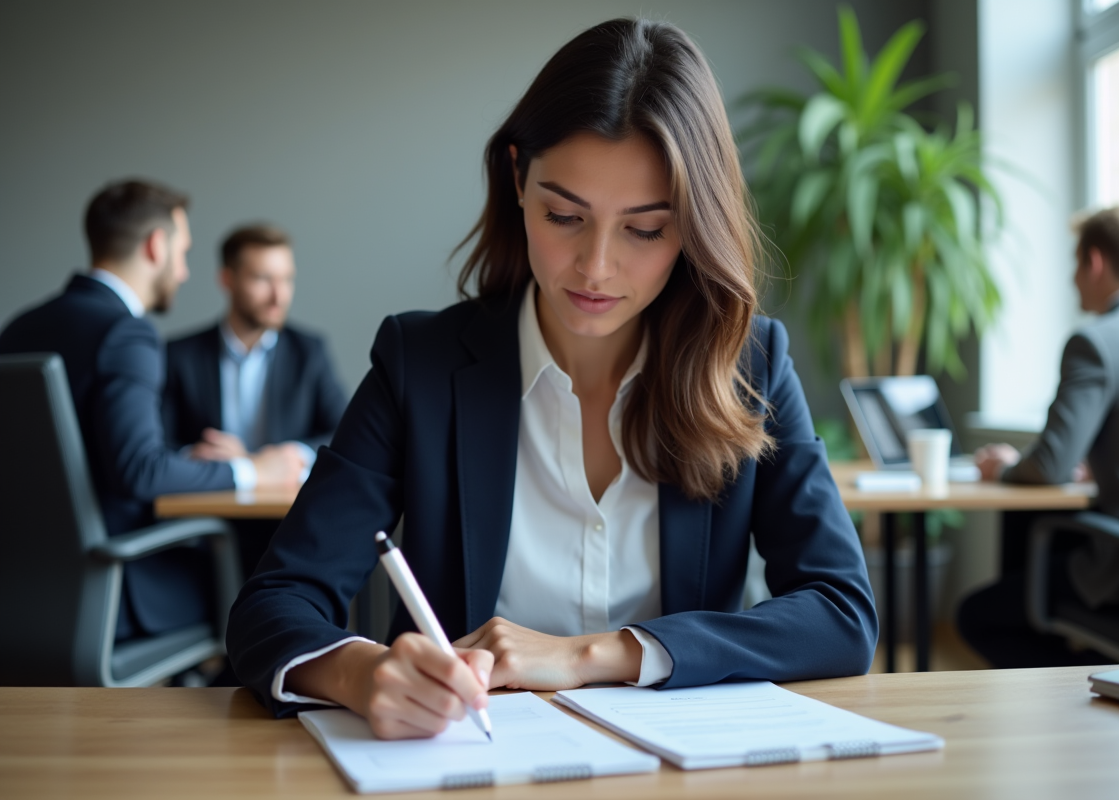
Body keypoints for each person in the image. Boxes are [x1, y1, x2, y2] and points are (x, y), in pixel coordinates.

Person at [227, 18, 877, 738]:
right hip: (472, 769)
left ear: (693, 225)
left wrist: (593, 657)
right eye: (564, 215)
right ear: (516, 179)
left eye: (645, 229)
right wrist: (362, 673)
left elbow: (841, 611)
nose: (596, 267)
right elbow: (273, 604)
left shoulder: (749, 364)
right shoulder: (421, 362)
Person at [0, 180, 305, 642]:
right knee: (255, 589)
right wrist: (251, 471)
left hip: (22, 592)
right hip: (115, 591)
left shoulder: (19, 328)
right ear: (155, 245)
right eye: (182, 251)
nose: (183, 271)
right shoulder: (126, 333)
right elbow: (139, 470)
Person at [962, 204, 1119, 667]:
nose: (1073, 279)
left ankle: (1086, 689)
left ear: (1094, 261)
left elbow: (1049, 467)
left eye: (1075, 264)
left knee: (976, 615)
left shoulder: (1096, 342)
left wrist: (1004, 467)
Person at [162, 224, 348, 572]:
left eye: (287, 279)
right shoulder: (179, 355)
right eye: (263, 279)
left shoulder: (309, 351)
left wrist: (274, 458)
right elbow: (157, 445)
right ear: (227, 279)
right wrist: (204, 457)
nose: (279, 295)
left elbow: (344, 433)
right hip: (205, 532)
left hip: (290, 526)